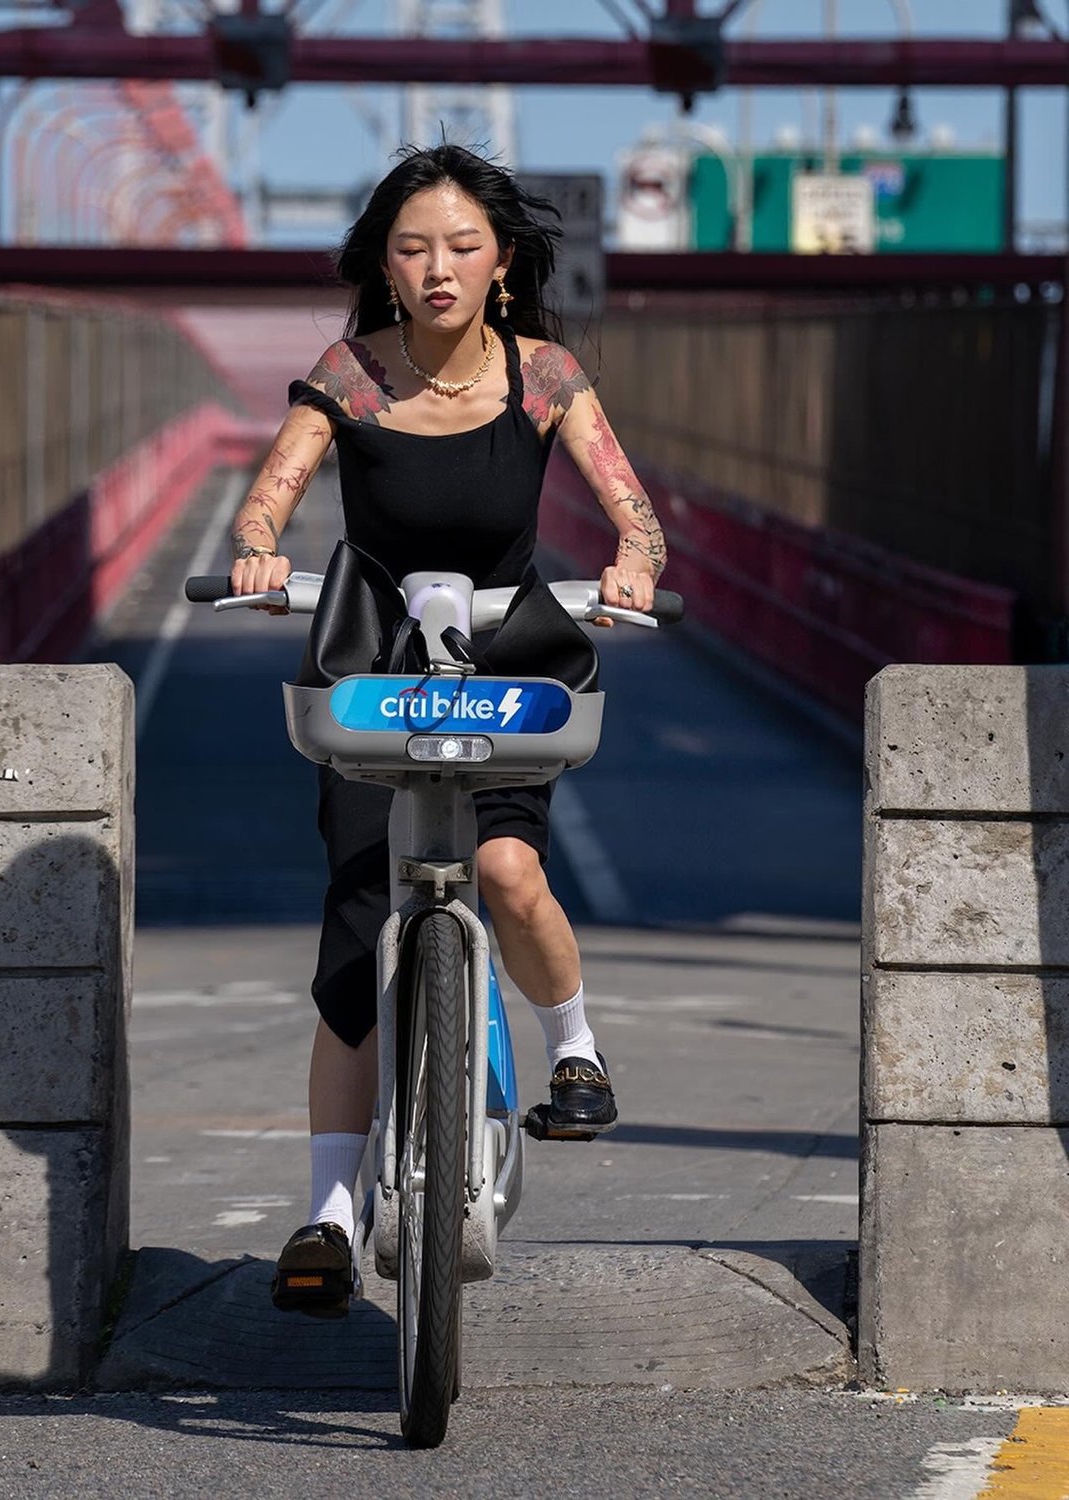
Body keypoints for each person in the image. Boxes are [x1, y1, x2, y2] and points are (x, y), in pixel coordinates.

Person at [228, 144, 667, 1317]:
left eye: (463, 247)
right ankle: (327, 1212)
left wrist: (633, 559)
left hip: (508, 658)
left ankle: (573, 1045)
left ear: (503, 264)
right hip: (375, 667)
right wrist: (259, 550)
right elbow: (270, 493)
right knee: (356, 928)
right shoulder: (351, 376)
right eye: (414, 247)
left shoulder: (547, 378)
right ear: (384, 260)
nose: (438, 268)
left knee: (510, 868)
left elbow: (634, 510)